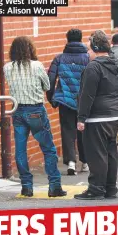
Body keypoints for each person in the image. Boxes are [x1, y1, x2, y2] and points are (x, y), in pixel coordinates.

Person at [4, 36, 65, 198]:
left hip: (17, 110)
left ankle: (26, 186)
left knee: (20, 150)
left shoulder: (7, 67)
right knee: (48, 148)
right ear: (30, 49)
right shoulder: (37, 66)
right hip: (36, 110)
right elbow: (47, 85)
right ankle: (54, 185)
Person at [73, 30, 118, 200]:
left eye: (89, 49)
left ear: (95, 48)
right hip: (113, 115)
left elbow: (87, 95)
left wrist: (81, 117)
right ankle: (110, 188)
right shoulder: (114, 65)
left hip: (97, 117)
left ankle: (96, 189)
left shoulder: (93, 67)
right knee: (110, 153)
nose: (88, 53)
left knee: (96, 154)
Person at [47, 29, 90, 175]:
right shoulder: (88, 58)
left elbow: (50, 80)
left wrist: (51, 97)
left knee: (67, 131)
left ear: (67, 39)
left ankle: (71, 162)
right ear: (81, 39)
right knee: (83, 130)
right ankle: (85, 162)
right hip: (84, 101)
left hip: (65, 100)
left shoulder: (59, 58)